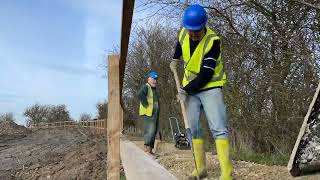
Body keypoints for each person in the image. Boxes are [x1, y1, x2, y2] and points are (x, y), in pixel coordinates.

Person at [170, 4, 233, 180]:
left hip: (210, 87)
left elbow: (206, 75)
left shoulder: (213, 42)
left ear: (204, 26)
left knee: (218, 128)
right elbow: (180, 45)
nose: (193, 34)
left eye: (196, 31)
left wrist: (184, 90)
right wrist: (175, 59)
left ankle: (227, 174)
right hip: (190, 88)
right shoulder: (184, 32)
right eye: (190, 30)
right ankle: (200, 169)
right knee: (193, 128)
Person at [138, 71, 160, 157]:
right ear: (149, 79)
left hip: (155, 114)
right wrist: (146, 104)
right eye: (153, 79)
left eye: (156, 79)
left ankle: (150, 151)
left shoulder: (154, 89)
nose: (155, 81)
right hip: (149, 114)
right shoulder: (146, 87)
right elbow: (140, 94)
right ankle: (147, 150)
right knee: (150, 131)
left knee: (153, 131)